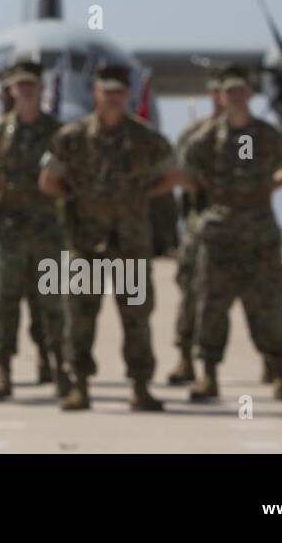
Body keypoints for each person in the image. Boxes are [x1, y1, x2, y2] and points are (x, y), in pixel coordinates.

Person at [39, 63, 180, 412]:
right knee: (80, 319)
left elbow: (172, 175)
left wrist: (141, 195)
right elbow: (47, 180)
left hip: (130, 246)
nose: (113, 98)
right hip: (86, 245)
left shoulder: (144, 138)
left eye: (119, 92)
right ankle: (80, 387)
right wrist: (74, 198)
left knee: (136, 319)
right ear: (95, 94)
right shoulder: (72, 138)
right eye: (107, 92)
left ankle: (141, 387)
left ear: (127, 95)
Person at [179, 66, 282, 401]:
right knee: (211, 306)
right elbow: (184, 172)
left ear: (250, 94)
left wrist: (268, 188)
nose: (235, 97)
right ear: (221, 96)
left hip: (260, 233)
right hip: (219, 233)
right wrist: (214, 197)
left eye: (241, 91)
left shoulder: (266, 135)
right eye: (229, 92)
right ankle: (208, 374)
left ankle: (281, 373)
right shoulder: (204, 139)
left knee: (269, 304)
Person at [0, 61, 66, 399]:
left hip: (48, 233)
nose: (25, 90)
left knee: (54, 303)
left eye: (31, 85)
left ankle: (60, 366)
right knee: (4, 302)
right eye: (19, 86)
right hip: (9, 232)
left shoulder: (58, 133)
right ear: (11, 91)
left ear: (41, 89)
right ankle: (2, 369)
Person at [167, 70, 224, 385]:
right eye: (217, 92)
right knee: (191, 294)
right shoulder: (194, 134)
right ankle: (186, 357)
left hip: (245, 228)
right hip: (199, 227)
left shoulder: (252, 135)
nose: (222, 98)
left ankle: (273, 361)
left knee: (260, 299)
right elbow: (175, 172)